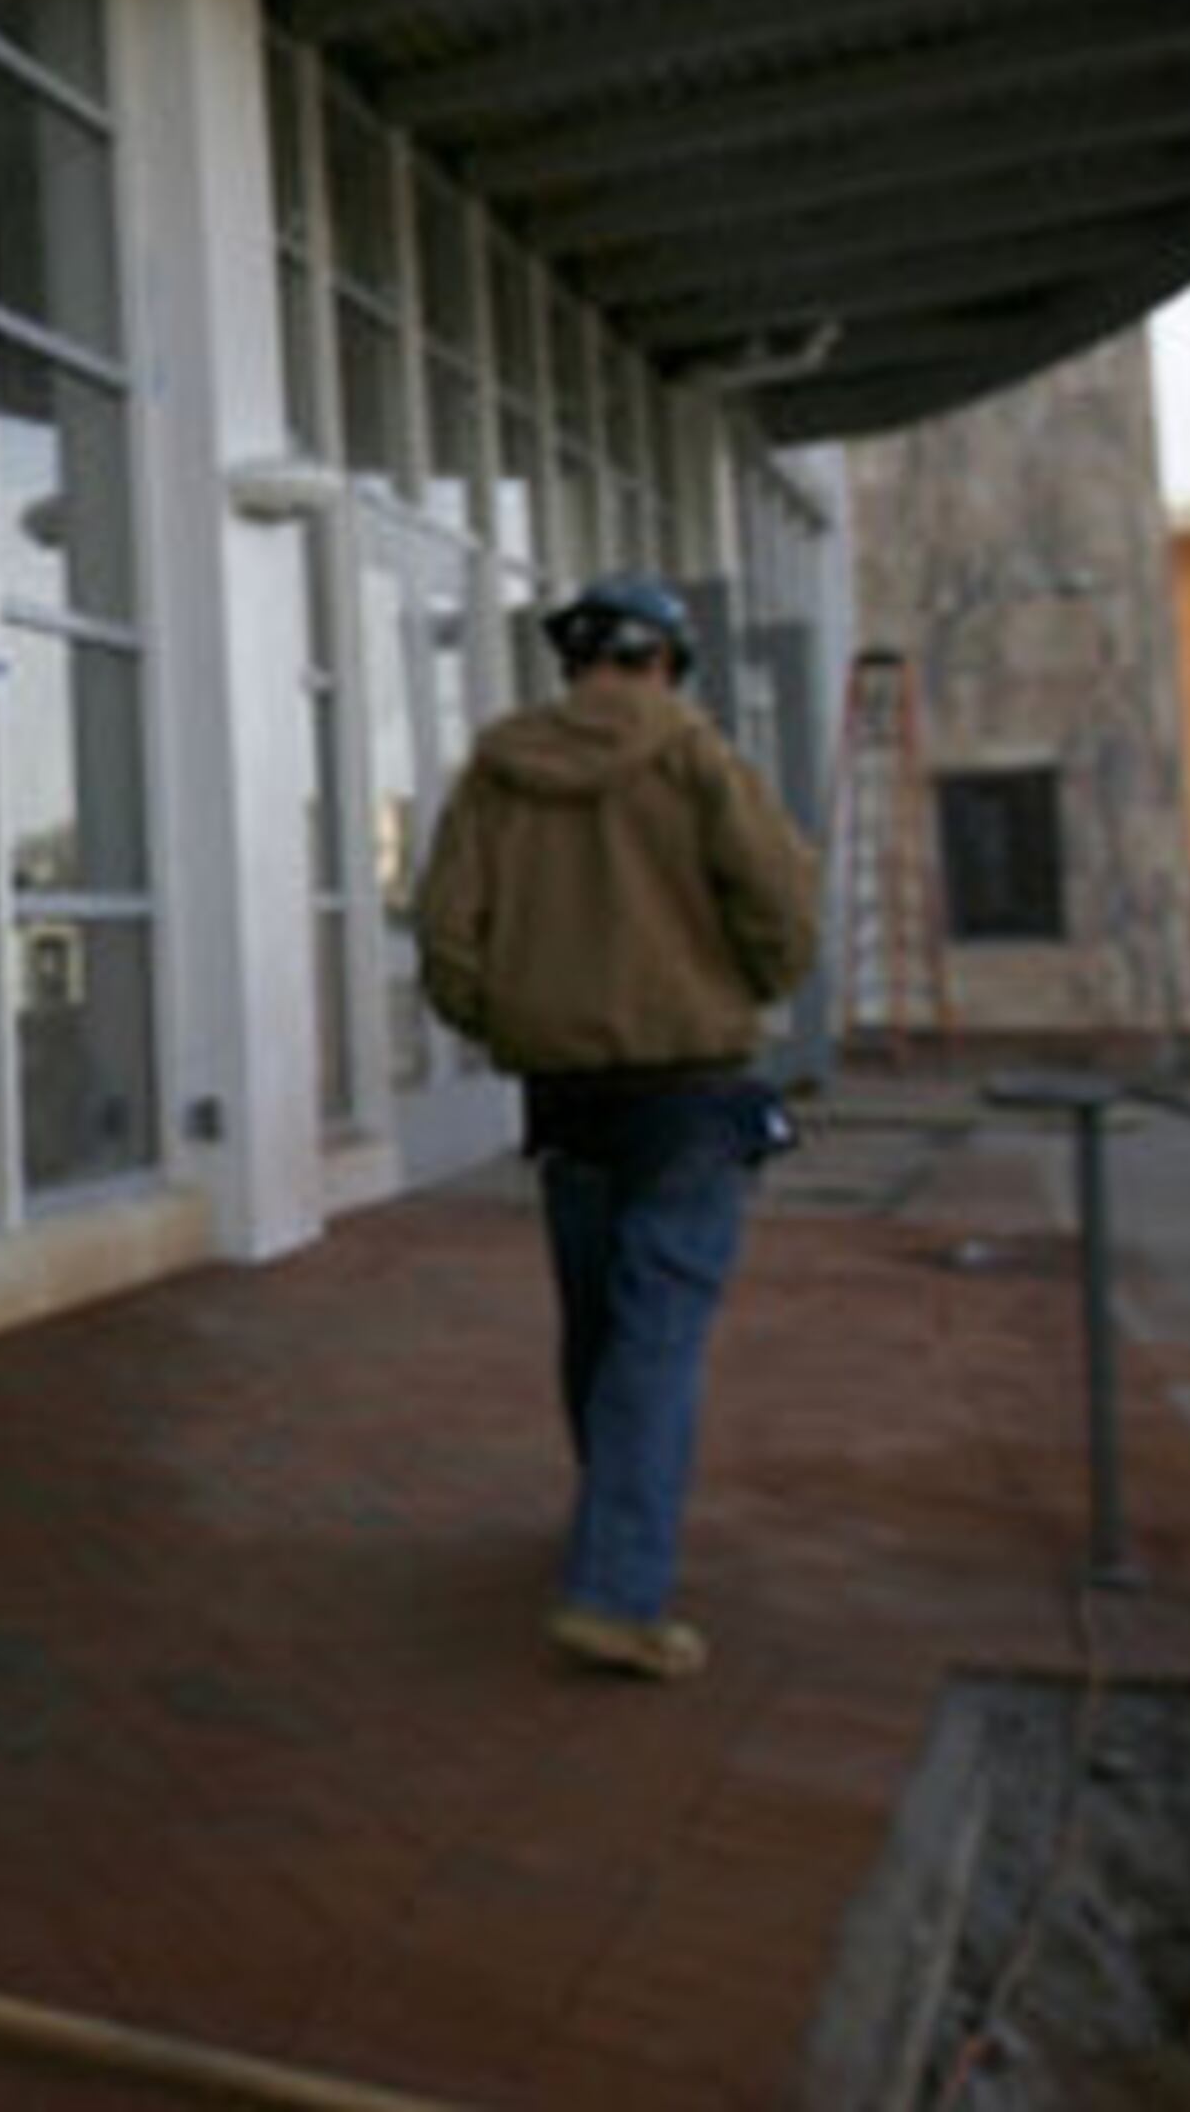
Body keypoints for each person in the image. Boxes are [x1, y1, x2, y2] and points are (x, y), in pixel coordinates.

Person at [414, 574, 818, 1682]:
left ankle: (611, 1533)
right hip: (691, 1085)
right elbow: (783, 910)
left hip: (567, 1093)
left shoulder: (498, 775)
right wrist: (753, 984)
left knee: (599, 1329)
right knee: (657, 1335)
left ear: (575, 663)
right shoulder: (699, 760)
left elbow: (446, 930)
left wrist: (503, 1016)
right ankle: (616, 1587)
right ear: (667, 664)